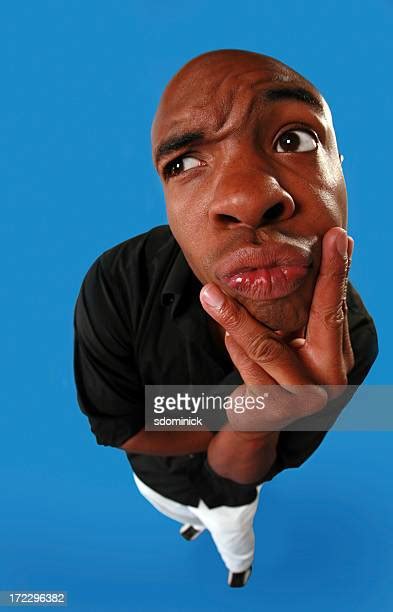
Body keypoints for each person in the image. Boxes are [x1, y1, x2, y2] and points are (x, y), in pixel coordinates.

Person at [73, 49, 378, 587]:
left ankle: (238, 571)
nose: (246, 197)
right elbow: (122, 428)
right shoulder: (117, 282)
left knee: (232, 531)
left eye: (295, 140)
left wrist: (253, 420)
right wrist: (228, 411)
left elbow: (240, 470)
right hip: (155, 484)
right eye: (185, 163)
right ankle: (191, 523)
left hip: (236, 491)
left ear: (339, 167)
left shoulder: (352, 338)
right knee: (184, 515)